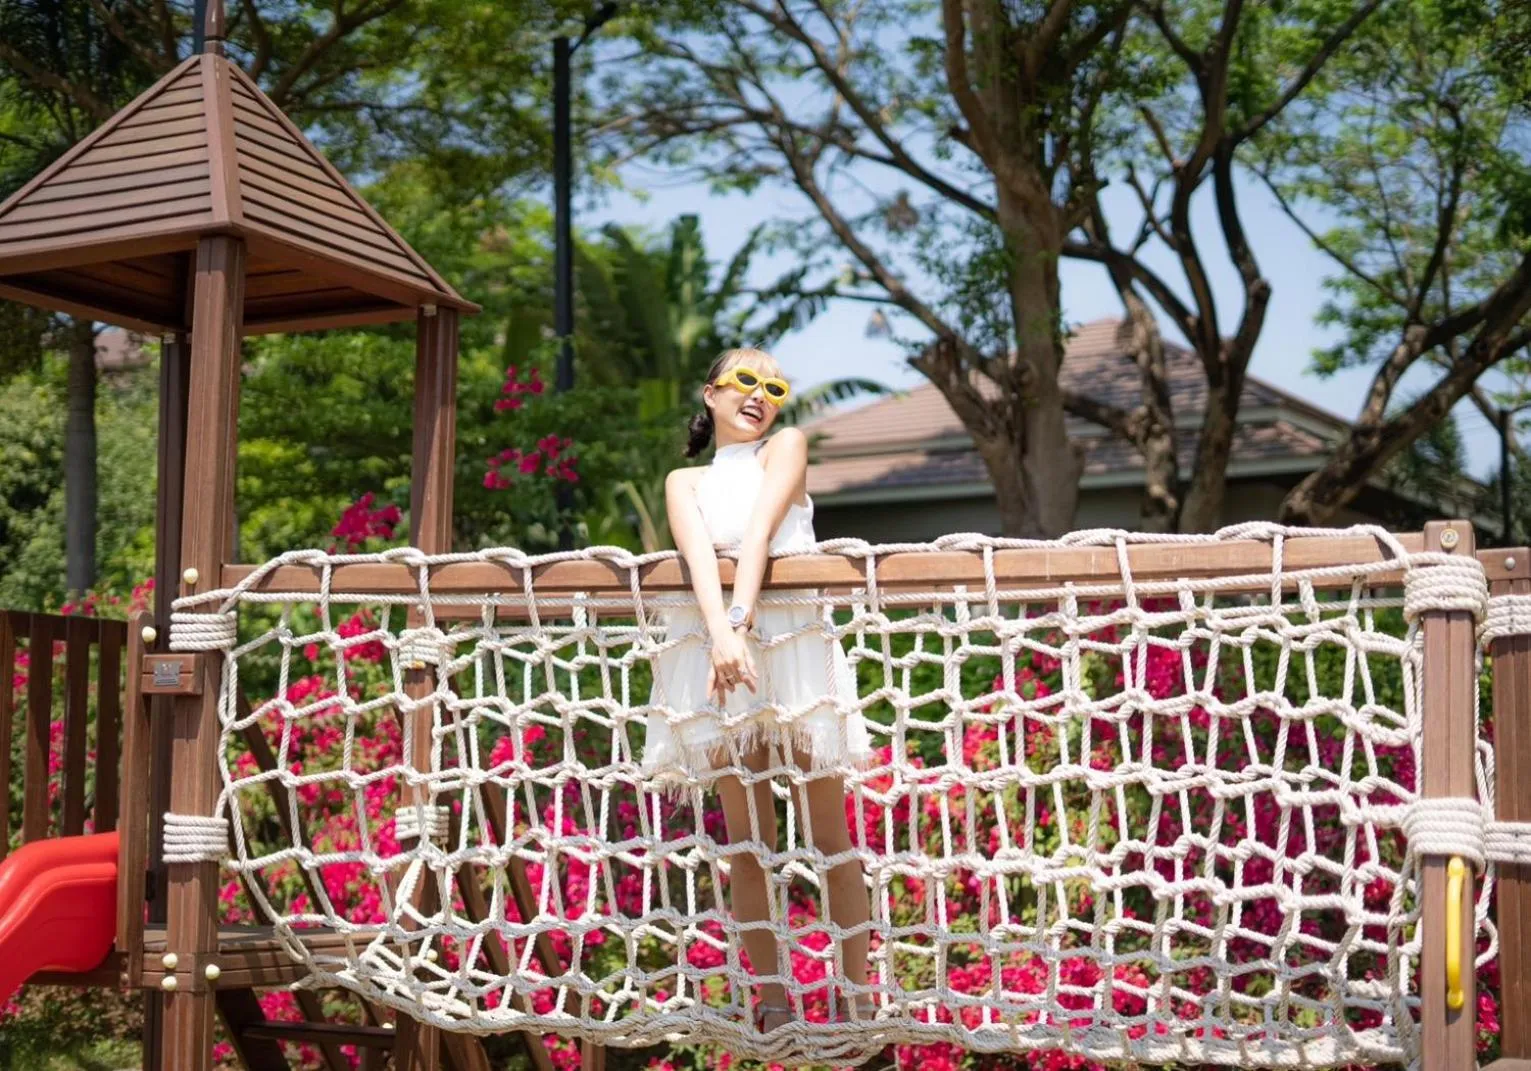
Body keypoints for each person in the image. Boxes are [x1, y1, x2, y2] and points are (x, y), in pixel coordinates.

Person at [642, 347, 875, 1036]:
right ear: (709, 394)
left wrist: (737, 623)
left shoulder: (786, 446)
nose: (760, 393)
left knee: (829, 835)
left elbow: (759, 538)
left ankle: (855, 994)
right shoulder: (682, 480)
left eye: (772, 384)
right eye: (744, 379)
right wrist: (720, 635)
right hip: (715, 653)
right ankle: (771, 998)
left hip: (792, 647)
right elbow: (695, 560)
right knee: (748, 842)